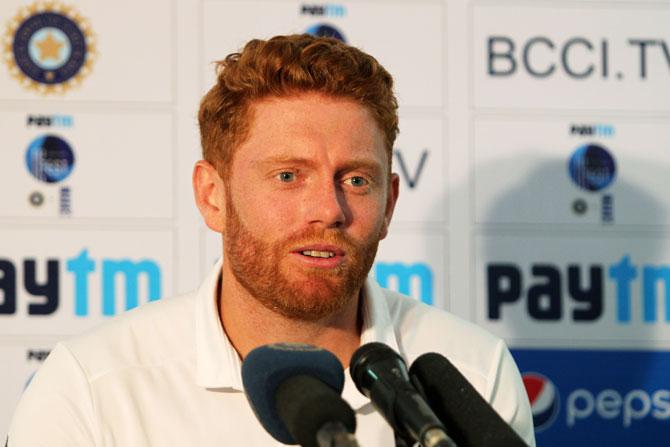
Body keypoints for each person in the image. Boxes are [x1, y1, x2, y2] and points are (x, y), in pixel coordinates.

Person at [8, 34, 535, 446]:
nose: (329, 210)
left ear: (390, 202)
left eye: (356, 180)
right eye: (288, 176)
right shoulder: (95, 387)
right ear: (213, 195)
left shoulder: (470, 370)